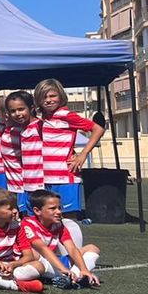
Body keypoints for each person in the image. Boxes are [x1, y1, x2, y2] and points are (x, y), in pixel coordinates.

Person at [34, 78, 105, 220]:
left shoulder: (67, 116)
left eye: (52, 96)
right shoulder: (42, 119)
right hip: (47, 177)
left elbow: (97, 129)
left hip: (66, 176)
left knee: (67, 218)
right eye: (44, 97)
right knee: (48, 219)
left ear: (60, 96)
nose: (48, 100)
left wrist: (83, 154)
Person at [12, 189, 101, 289]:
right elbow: (43, 249)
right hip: (41, 263)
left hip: (53, 262)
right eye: (52, 208)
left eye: (59, 208)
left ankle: (76, 276)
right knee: (34, 254)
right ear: (37, 211)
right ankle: (70, 276)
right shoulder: (27, 223)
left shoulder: (59, 225)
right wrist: (63, 269)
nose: (58, 212)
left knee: (92, 248)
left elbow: (71, 249)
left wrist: (84, 268)